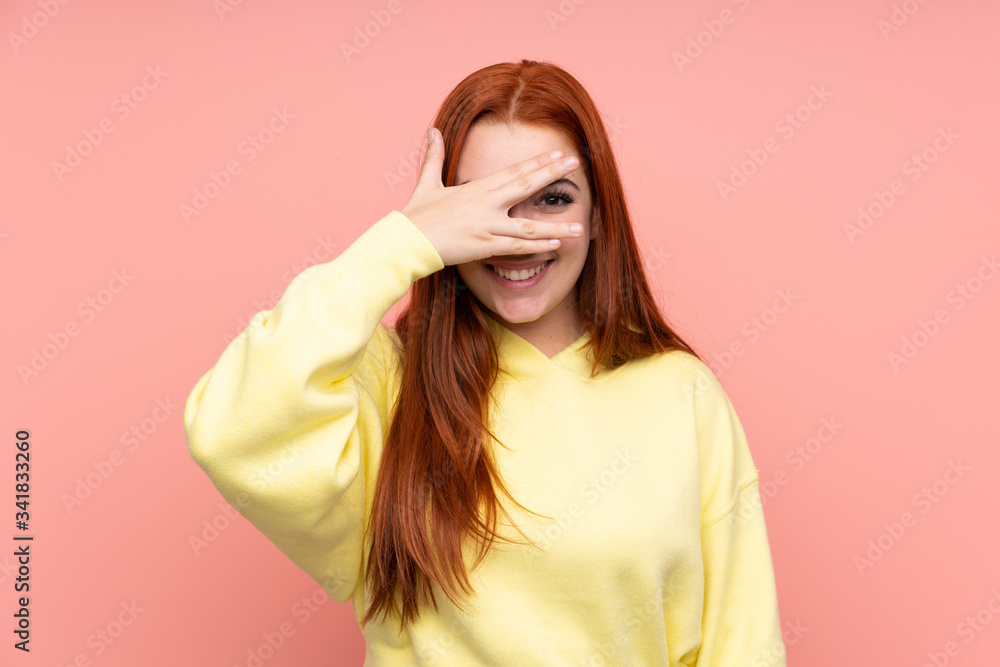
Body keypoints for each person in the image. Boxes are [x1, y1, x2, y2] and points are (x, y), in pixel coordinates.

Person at [184, 59, 785, 665]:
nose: (515, 235)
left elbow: (742, 642)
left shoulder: (681, 394)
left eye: (552, 199)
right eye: (482, 203)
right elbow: (231, 435)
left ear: (600, 215)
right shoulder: (390, 384)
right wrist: (400, 244)